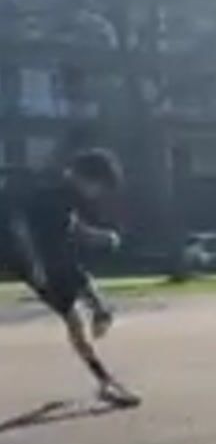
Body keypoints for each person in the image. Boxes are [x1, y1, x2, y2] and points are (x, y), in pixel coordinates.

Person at [0, 149, 141, 408]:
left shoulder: (66, 193)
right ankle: (105, 382)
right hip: (28, 259)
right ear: (87, 178)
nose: (98, 194)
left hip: (53, 257)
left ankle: (101, 314)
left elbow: (70, 226)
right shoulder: (49, 189)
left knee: (84, 288)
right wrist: (33, 264)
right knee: (75, 318)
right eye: (100, 187)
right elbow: (18, 224)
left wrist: (99, 236)